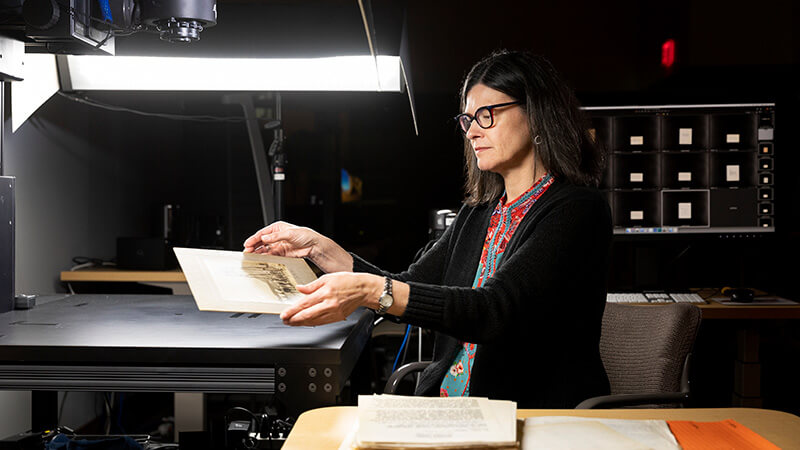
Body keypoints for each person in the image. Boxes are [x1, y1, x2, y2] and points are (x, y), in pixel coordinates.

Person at [243, 50, 611, 408]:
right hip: (453, 410)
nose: (471, 133)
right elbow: (407, 285)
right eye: (467, 120)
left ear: (536, 112)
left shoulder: (577, 210)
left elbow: (494, 312)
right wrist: (319, 249)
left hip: (531, 414)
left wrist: (374, 289)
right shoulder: (480, 213)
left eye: (487, 115)